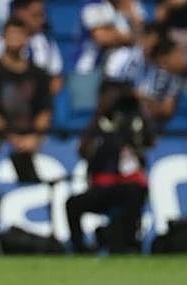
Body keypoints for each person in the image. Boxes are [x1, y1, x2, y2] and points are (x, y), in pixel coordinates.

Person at [65, 85, 153, 254]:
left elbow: (148, 141)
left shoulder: (132, 120)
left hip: (127, 185)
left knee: (135, 192)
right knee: (72, 204)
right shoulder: (99, 124)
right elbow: (83, 150)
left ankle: (130, 242)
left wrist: (139, 108)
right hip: (102, 187)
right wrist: (98, 116)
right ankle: (80, 247)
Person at [0, 19, 52, 183]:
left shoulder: (39, 74)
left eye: (19, 35)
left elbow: (45, 111)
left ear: (27, 39)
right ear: (3, 38)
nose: (15, 39)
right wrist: (11, 138)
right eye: (11, 35)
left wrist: (35, 138)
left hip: (33, 142)